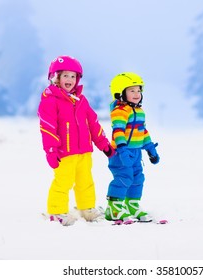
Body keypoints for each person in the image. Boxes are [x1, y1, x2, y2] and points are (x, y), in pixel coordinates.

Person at [38, 55, 114, 226]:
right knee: (63, 182)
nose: (69, 80)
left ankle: (86, 209)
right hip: (63, 152)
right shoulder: (50, 101)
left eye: (73, 76)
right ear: (55, 77)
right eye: (65, 75)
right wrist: (51, 150)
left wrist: (103, 144)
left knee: (85, 182)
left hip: (84, 151)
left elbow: (93, 123)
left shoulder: (81, 100)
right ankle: (56, 211)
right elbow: (47, 127)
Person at [104, 72, 160, 223]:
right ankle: (113, 208)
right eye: (132, 90)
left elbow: (143, 131)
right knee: (124, 178)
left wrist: (150, 148)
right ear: (120, 93)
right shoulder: (119, 112)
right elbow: (118, 130)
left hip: (135, 153)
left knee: (137, 178)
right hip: (120, 153)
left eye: (139, 90)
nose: (137, 94)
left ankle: (131, 206)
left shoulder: (140, 112)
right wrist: (121, 149)